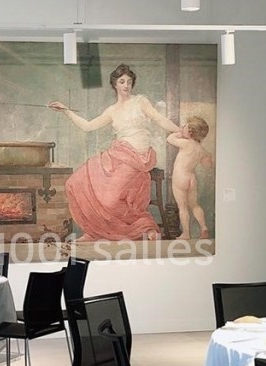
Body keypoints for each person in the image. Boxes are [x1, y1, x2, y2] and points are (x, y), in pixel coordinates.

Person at [49, 64, 181, 241]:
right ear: (115, 84)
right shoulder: (112, 110)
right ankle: (96, 232)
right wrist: (65, 111)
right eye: (122, 81)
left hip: (137, 157)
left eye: (129, 81)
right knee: (74, 182)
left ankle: (144, 227)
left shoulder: (140, 101)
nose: (126, 85)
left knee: (110, 200)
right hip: (118, 154)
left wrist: (179, 131)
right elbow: (88, 126)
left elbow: (159, 119)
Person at [167, 116, 213, 240]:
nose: (182, 128)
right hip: (191, 179)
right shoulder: (201, 149)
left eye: (185, 127)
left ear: (191, 131)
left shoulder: (186, 143)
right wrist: (209, 157)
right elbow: (207, 165)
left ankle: (186, 234)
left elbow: (169, 139)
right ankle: (204, 227)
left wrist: (178, 133)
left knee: (182, 207)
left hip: (180, 177)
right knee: (194, 205)